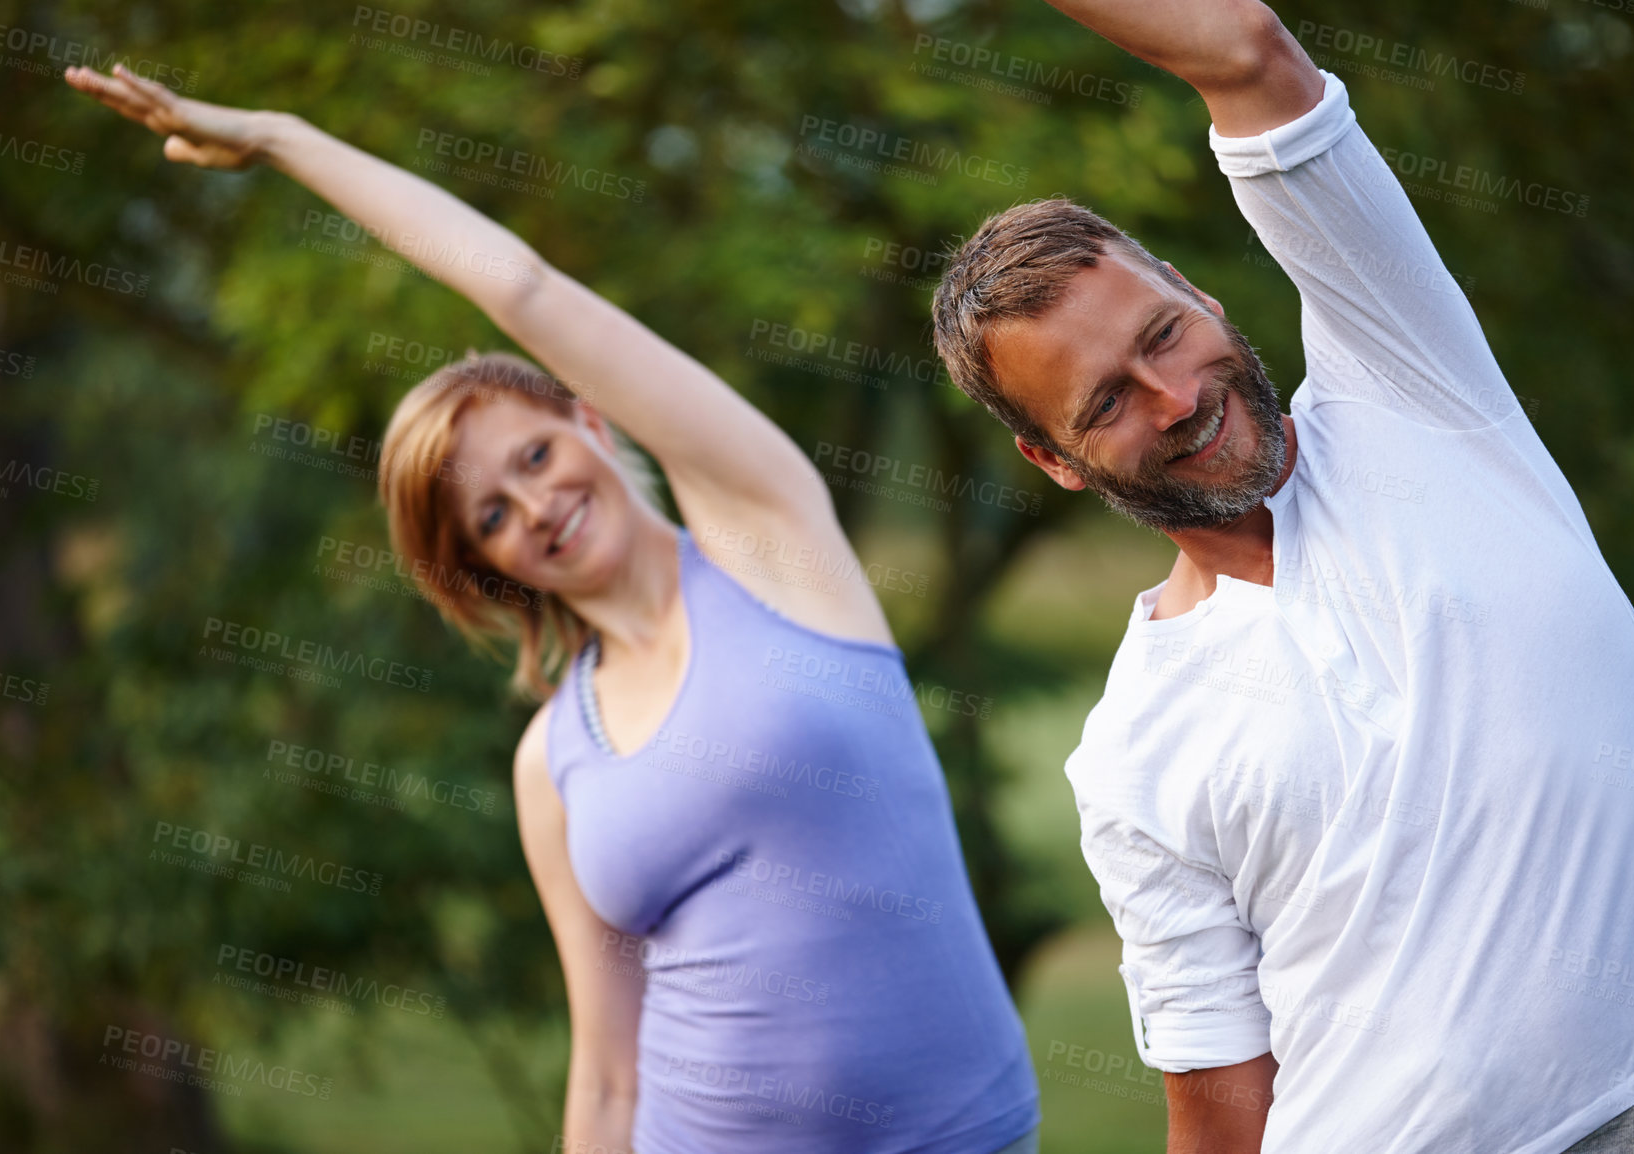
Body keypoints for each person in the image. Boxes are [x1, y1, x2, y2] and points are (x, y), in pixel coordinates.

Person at [66, 62, 1041, 1154]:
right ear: (483, 562)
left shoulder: (773, 545)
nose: (537, 502)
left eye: (536, 452)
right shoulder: (552, 759)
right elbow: (608, 1070)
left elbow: (519, 286)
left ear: (591, 417)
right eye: (490, 511)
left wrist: (283, 135)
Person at [930, 2, 1634, 1152]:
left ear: (1200, 292)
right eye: (1107, 402)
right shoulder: (1131, 753)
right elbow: (1220, 1116)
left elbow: (1244, 51)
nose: (1175, 396)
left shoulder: (1410, 383)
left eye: (1162, 333)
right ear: (1053, 461)